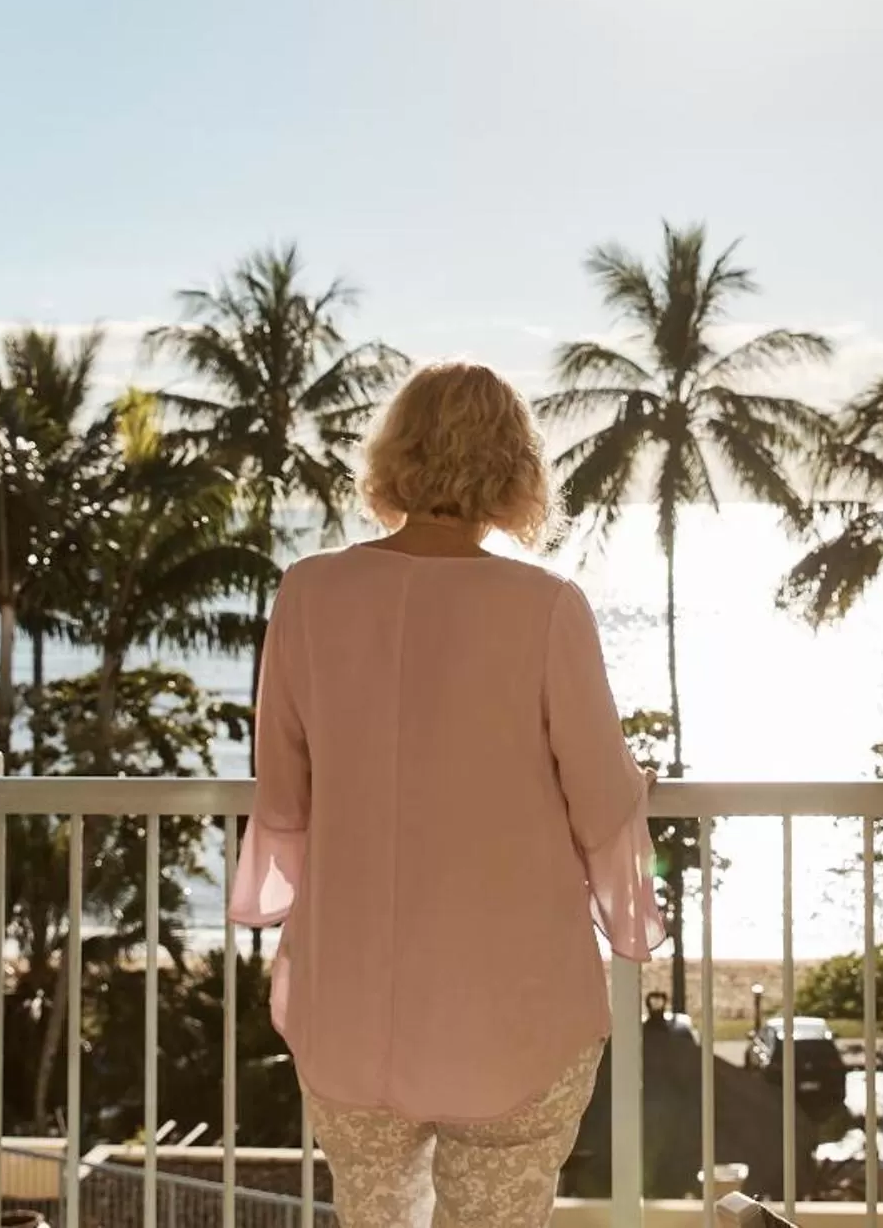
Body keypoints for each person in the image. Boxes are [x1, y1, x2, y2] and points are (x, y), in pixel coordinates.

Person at [229, 361, 666, 1228]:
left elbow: (283, 794)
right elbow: (601, 802)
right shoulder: (545, 606)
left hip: (349, 995)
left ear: (395, 457)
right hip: (515, 1008)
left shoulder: (308, 593)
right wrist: (629, 919)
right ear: (514, 470)